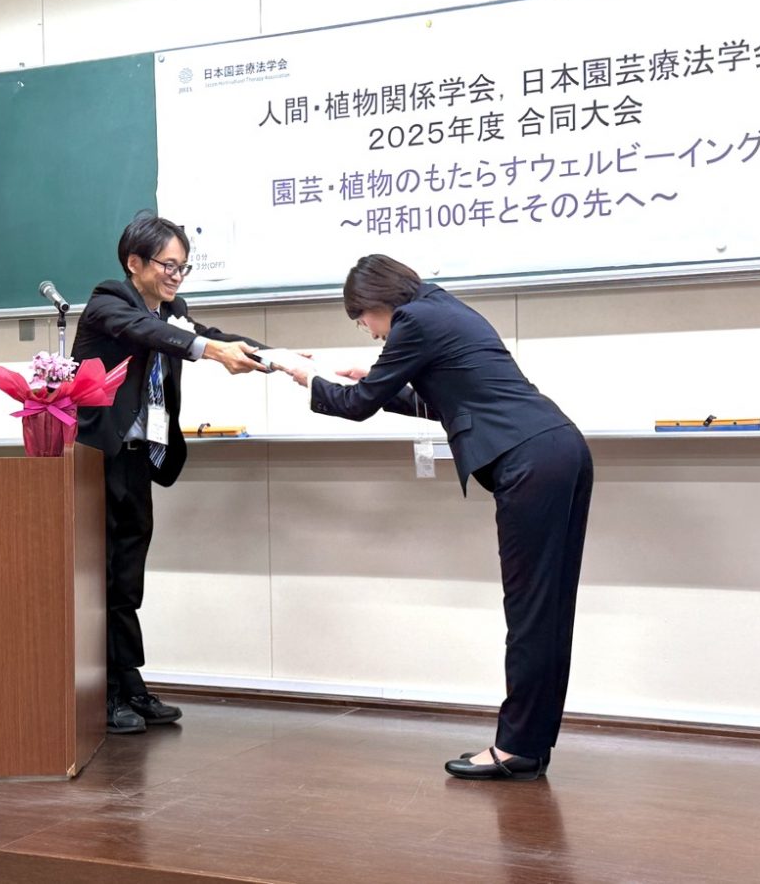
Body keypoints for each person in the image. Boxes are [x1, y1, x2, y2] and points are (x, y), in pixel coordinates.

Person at [276, 254, 592, 780]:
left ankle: (516, 748)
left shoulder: (413, 320)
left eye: (361, 318)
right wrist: (373, 380)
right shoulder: (441, 307)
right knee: (549, 611)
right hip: (560, 449)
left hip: (531, 462)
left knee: (531, 612)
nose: (368, 330)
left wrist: (305, 375)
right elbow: (452, 399)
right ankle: (529, 746)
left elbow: (356, 406)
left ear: (376, 301)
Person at [71, 211, 267, 734]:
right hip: (98, 459)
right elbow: (147, 332)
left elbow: (211, 335)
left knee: (127, 578)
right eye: (168, 265)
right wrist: (210, 350)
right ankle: (102, 693)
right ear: (135, 263)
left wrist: (282, 359)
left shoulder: (172, 311)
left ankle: (129, 682)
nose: (176, 276)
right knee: (100, 577)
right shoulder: (109, 301)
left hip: (139, 458)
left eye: (183, 267)